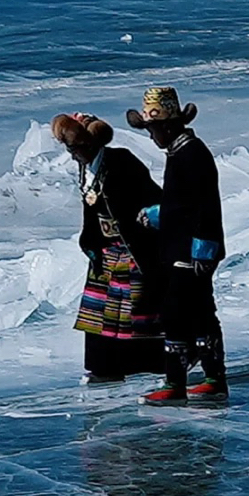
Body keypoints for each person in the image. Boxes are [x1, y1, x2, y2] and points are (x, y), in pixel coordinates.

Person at [124, 86, 228, 404]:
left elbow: (204, 206)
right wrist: (159, 215)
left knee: (177, 313)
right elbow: (181, 204)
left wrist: (202, 248)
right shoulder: (181, 152)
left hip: (190, 251)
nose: (152, 137)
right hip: (181, 247)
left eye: (153, 129)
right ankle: (212, 378)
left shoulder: (191, 154)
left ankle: (176, 384)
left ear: (167, 126)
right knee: (198, 313)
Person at [51, 111, 166, 383]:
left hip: (133, 247)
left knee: (137, 312)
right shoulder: (85, 166)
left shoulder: (122, 161)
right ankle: (104, 367)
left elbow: (152, 197)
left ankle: (157, 365)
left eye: (74, 148)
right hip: (104, 250)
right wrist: (89, 241)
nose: (72, 154)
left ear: (89, 145)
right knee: (100, 314)